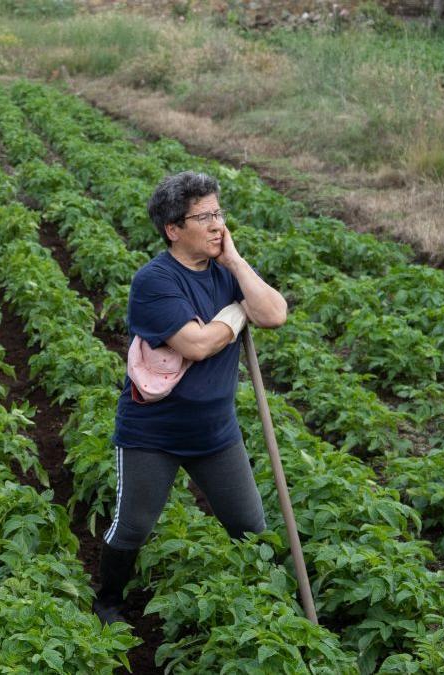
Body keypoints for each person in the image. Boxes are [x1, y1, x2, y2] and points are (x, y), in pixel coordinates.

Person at [93, 171, 288, 624]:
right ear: (174, 229)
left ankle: (270, 607)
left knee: (249, 526)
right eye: (205, 217)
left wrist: (237, 264)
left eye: (219, 213)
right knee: (134, 525)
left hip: (216, 433)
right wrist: (238, 316)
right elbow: (196, 345)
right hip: (153, 433)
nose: (218, 224)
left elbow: (275, 314)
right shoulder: (154, 281)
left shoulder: (226, 272)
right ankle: (107, 602)